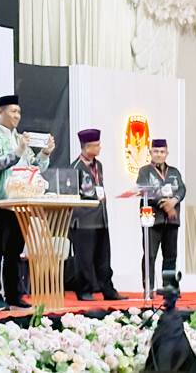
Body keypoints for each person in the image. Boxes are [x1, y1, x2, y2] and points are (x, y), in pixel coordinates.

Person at [0, 94, 54, 312]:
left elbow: (35, 167)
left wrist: (45, 153)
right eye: (12, 111)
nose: (16, 116)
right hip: (0, 201)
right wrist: (18, 151)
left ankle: (13, 294)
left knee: (14, 250)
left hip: (21, 202)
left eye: (19, 112)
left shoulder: (21, 138)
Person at [70, 129, 125, 301]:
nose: (99, 147)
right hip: (83, 220)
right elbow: (71, 195)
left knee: (104, 258)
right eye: (96, 145)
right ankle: (84, 290)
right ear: (86, 147)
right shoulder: (75, 167)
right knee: (84, 259)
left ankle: (108, 290)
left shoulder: (98, 165)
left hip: (101, 218)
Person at [136, 139, 186, 290]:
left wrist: (174, 201)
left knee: (171, 256)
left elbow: (182, 189)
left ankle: (169, 287)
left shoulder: (174, 172)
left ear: (167, 153)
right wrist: (166, 205)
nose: (159, 154)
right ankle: (149, 288)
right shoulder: (144, 171)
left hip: (172, 221)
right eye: (156, 151)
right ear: (150, 152)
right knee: (150, 256)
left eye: (162, 152)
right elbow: (145, 190)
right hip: (152, 219)